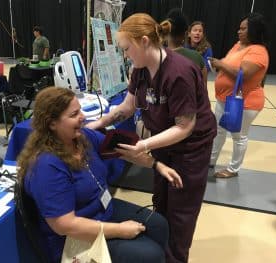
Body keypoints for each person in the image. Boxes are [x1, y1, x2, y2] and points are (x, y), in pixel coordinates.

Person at [86, 13, 217, 263]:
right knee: (161, 201)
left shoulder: (179, 72)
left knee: (181, 213)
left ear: (144, 41)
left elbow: (185, 127)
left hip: (191, 148)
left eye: (126, 48)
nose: (125, 55)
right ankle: (159, 254)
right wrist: (98, 123)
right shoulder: (140, 69)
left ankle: (176, 258)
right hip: (163, 144)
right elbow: (127, 106)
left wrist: (143, 145)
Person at [17, 86, 184, 263]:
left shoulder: (82, 138)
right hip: (73, 239)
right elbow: (64, 225)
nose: (82, 117)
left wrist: (157, 165)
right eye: (74, 115)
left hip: (99, 209)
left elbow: (125, 151)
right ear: (52, 123)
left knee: (159, 225)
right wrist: (119, 230)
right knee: (150, 255)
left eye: (80, 110)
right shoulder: (46, 166)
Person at [208, 12, 269, 178]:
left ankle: (233, 169)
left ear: (254, 31)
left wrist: (220, 64)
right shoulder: (238, 45)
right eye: (239, 28)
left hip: (244, 102)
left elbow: (243, 73)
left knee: (238, 136)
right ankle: (211, 160)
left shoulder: (258, 51)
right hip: (224, 99)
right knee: (219, 131)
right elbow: (229, 65)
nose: (239, 31)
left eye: (243, 29)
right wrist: (219, 65)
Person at [161, 8, 207, 85]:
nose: (197, 33)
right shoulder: (197, 57)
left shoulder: (156, 57)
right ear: (186, 34)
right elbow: (203, 91)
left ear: (166, 31)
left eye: (200, 31)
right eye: (195, 30)